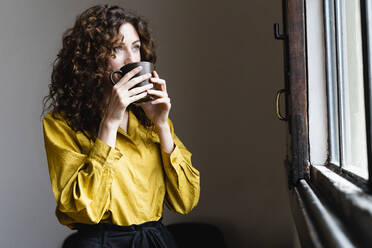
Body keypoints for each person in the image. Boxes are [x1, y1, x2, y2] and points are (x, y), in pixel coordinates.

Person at [41, 4, 200, 248]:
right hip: (100, 242)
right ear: (91, 59)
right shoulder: (61, 124)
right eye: (117, 48)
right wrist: (110, 123)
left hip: (155, 240)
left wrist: (162, 125)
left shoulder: (150, 119)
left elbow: (186, 201)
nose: (131, 59)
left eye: (136, 47)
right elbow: (83, 209)